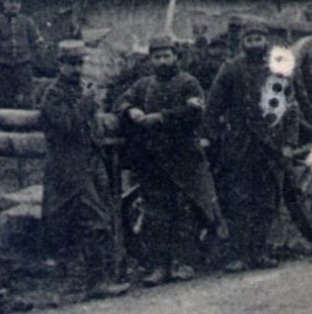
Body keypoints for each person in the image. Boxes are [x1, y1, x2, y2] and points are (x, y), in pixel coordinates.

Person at [115, 35, 221, 285]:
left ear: (175, 57)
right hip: (154, 160)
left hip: (185, 158)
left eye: (166, 56)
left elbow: (195, 112)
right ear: (151, 60)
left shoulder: (188, 83)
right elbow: (121, 100)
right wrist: (131, 110)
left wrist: (161, 118)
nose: (162, 61)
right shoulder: (143, 85)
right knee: (156, 214)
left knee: (186, 211)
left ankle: (184, 263)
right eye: (157, 57)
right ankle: (159, 267)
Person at [38, 41, 128, 299]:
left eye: (80, 63)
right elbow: (68, 125)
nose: (76, 69)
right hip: (68, 168)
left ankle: (98, 277)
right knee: (93, 220)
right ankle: (95, 282)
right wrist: (88, 104)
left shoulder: (81, 90)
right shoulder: (53, 95)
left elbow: (92, 128)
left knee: (101, 218)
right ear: (60, 65)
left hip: (90, 163)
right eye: (70, 64)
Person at [204, 20, 289, 271]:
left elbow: (289, 108)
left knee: (265, 200)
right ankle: (238, 255)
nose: (254, 44)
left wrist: (287, 142)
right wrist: (213, 134)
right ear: (242, 43)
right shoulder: (230, 69)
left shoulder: (276, 71)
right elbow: (214, 105)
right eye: (249, 40)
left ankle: (260, 252)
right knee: (237, 199)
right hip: (238, 143)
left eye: (258, 40)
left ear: (266, 42)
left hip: (268, 144)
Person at [0, 0, 44, 109]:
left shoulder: (27, 22)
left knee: (27, 101)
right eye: (11, 1)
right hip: (4, 69)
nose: (14, 5)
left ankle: (26, 126)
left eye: (17, 2)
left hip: (23, 67)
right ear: (4, 3)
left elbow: (38, 42)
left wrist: (31, 60)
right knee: (5, 101)